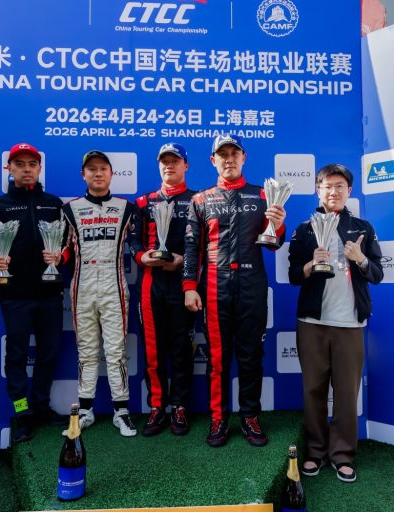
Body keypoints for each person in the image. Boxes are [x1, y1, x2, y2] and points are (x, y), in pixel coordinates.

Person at [183, 133, 286, 448]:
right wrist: (189, 287)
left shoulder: (264, 195)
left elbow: (274, 243)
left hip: (252, 283)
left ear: (244, 158)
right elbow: (192, 249)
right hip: (215, 286)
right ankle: (218, 418)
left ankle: (250, 416)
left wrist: (279, 224)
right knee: (217, 358)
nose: (229, 159)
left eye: (234, 154)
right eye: (222, 155)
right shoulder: (200, 200)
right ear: (213, 160)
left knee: (251, 354)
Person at [287, 164, 383, 483]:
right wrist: (310, 264)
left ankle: (342, 455)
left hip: (350, 324)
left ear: (349, 191)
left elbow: (378, 274)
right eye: (327, 186)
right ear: (318, 190)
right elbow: (292, 276)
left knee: (346, 393)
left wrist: (360, 259)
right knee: (313, 389)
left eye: (340, 186)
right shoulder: (305, 229)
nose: (333, 191)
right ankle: (315, 451)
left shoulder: (363, 228)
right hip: (312, 322)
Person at [0, 142, 67, 444]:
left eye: (32, 164)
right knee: (16, 355)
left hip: (49, 292)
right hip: (14, 294)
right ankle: (21, 412)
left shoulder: (54, 204)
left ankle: (41, 406)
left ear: (39, 168)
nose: (26, 169)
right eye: (20, 164)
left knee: (49, 352)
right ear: (9, 168)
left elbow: (66, 244)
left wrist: (60, 257)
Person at [61, 150, 139, 437]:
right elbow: (63, 250)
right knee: (87, 350)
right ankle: (85, 410)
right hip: (82, 283)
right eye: (91, 169)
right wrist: (56, 258)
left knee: (116, 350)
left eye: (103, 168)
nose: (97, 173)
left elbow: (138, 244)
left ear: (111, 174)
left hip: (113, 281)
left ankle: (122, 411)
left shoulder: (126, 208)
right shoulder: (70, 209)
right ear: (83, 174)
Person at [130, 142, 197, 436]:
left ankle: (180, 406)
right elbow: (133, 240)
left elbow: (203, 244)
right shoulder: (143, 202)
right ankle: (157, 407)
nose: (169, 165)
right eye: (164, 161)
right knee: (152, 349)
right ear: (159, 166)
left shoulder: (198, 200)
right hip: (151, 283)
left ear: (186, 166)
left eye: (175, 161)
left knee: (181, 348)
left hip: (184, 283)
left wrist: (183, 263)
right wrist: (142, 257)